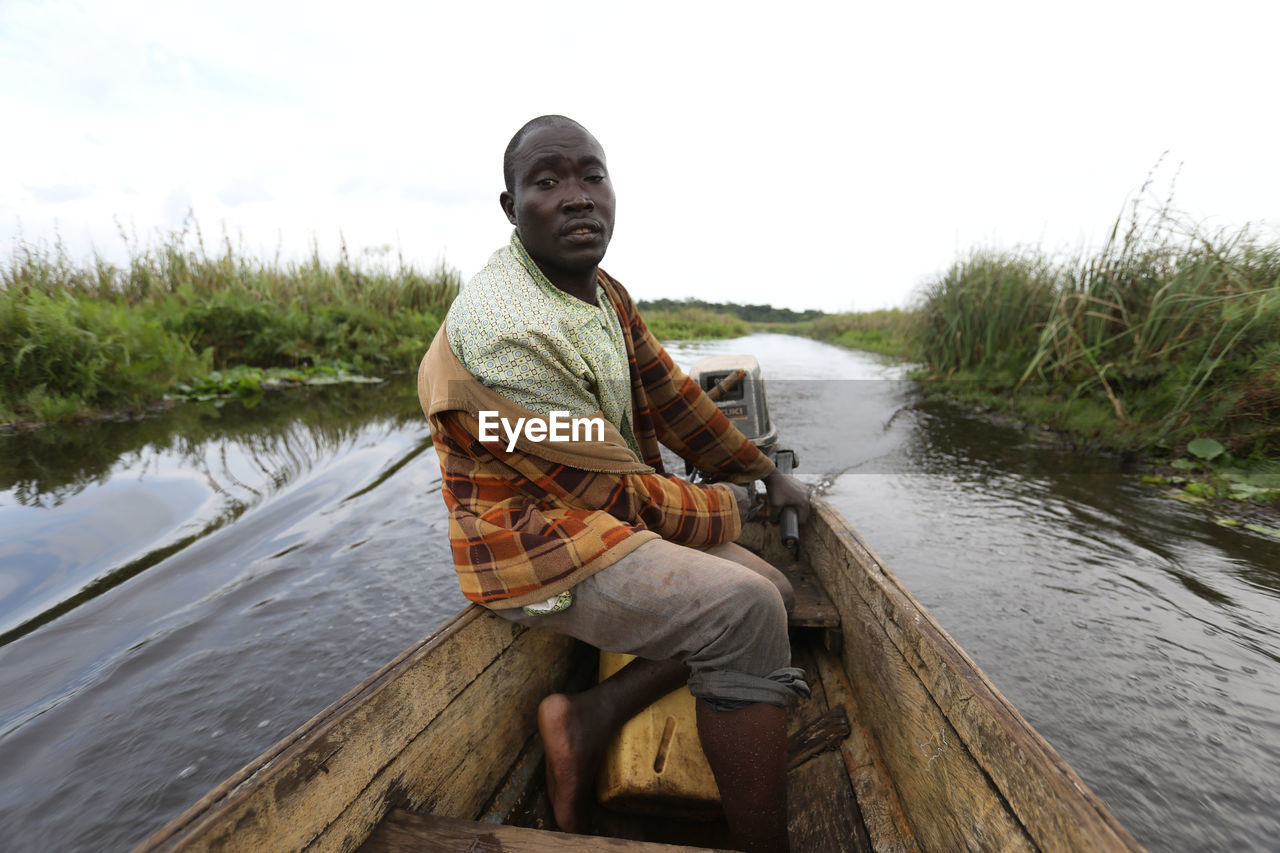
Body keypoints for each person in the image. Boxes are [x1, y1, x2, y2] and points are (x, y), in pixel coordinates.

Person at [417, 115, 811, 853]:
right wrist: (741, 504)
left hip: (594, 521)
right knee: (748, 607)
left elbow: (673, 398)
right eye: (547, 181)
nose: (576, 197)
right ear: (510, 207)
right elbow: (621, 496)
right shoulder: (506, 333)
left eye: (590, 176)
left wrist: (759, 468)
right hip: (532, 549)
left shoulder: (602, 292)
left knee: (777, 596)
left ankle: (588, 716)